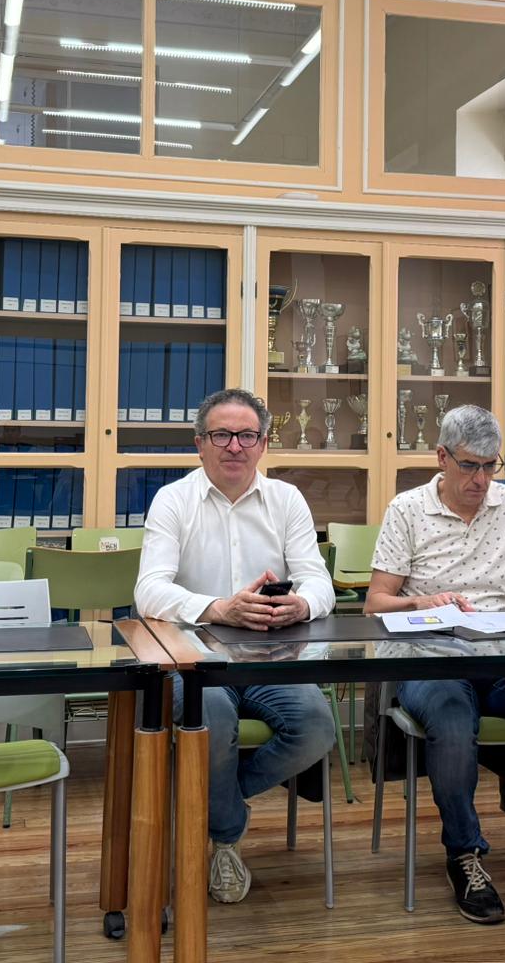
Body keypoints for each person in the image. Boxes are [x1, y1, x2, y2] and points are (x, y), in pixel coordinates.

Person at [363, 405, 505, 937]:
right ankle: (464, 855)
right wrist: (424, 601)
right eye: (470, 466)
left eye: (491, 466)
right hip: (432, 660)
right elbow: (375, 603)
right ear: (441, 458)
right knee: (450, 719)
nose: (481, 480)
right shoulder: (408, 509)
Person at [134, 387, 338, 904]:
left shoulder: (286, 500)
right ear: (199, 444)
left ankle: (212, 800)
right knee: (213, 718)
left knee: (316, 728)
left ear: (264, 444)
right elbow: (148, 591)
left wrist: (302, 604)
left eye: (247, 436)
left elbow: (320, 582)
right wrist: (219, 608)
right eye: (221, 435)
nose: (234, 446)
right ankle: (226, 836)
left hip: (270, 657)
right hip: (193, 658)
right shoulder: (172, 500)